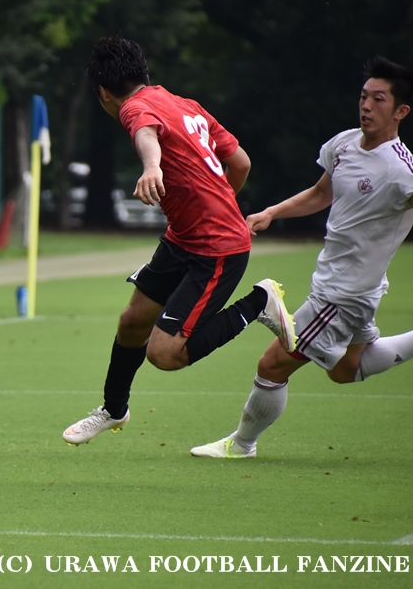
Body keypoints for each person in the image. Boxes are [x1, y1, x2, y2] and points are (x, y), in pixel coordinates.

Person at [62, 34, 296, 445]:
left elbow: (146, 135)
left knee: (164, 354)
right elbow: (240, 162)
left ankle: (261, 301)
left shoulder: (134, 108)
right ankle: (114, 410)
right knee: (133, 322)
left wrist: (152, 168)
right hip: (184, 238)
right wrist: (215, 203)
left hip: (216, 250)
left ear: (103, 92)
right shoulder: (184, 104)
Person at [191, 56, 413, 458]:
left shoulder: (401, 171)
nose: (366, 106)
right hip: (350, 285)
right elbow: (320, 194)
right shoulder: (344, 144)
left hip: (343, 293)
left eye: (379, 100)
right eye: (364, 96)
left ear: (401, 111)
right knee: (345, 370)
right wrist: (272, 212)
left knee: (272, 365)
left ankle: (241, 444)